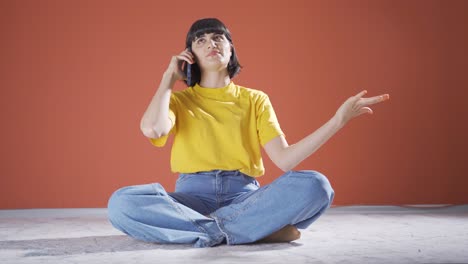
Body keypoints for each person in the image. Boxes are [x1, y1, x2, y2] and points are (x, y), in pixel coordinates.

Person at [107, 18, 390, 248]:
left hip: (244, 197)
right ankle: (247, 230)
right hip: (191, 198)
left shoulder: (256, 99)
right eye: (200, 40)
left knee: (317, 186)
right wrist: (168, 79)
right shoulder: (179, 101)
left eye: (218, 38)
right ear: (190, 56)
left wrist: (338, 120)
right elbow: (153, 128)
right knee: (121, 203)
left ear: (231, 50)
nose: (211, 44)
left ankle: (206, 229)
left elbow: (286, 160)